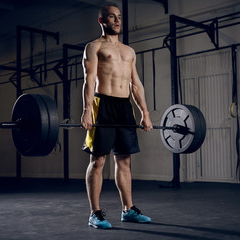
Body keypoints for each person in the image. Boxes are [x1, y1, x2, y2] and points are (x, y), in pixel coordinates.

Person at [81, 3, 153, 229]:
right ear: (102, 21)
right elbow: (89, 79)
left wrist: (145, 112)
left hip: (124, 106)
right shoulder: (93, 47)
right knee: (98, 159)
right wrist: (86, 110)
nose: (117, 20)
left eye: (119, 17)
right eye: (111, 17)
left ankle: (128, 210)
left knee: (124, 160)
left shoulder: (129, 51)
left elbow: (136, 83)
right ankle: (95, 213)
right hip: (102, 104)